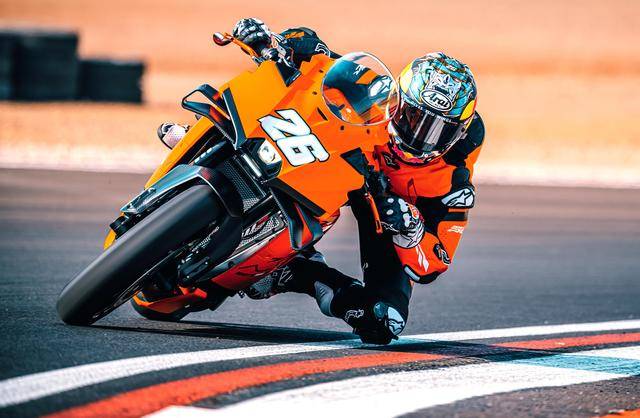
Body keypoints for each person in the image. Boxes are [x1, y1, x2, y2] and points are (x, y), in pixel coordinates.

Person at [159, 18, 485, 344]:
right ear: (397, 99)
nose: (419, 136)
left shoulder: (453, 179)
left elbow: (434, 263)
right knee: (280, 98)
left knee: (384, 320)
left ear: (459, 133)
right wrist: (273, 42)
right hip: (346, 162)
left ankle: (298, 271)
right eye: (411, 116)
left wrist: (410, 230)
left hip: (386, 207)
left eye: (437, 131)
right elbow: (318, 54)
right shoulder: (377, 92)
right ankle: (206, 139)